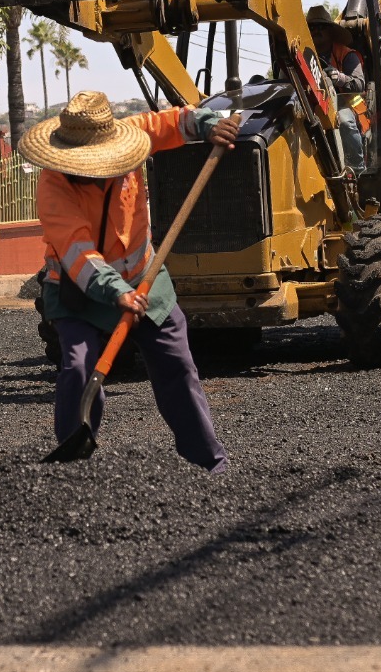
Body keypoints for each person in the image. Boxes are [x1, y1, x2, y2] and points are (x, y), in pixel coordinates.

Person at [27, 90, 242, 472]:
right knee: (78, 366)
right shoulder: (53, 187)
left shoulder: (131, 136)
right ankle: (71, 465)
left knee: (177, 364)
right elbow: (78, 252)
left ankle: (209, 463)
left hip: (146, 279)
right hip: (80, 291)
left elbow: (174, 121)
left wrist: (210, 125)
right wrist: (117, 293)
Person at [305, 5, 370, 170]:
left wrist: (340, 78)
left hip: (343, 104)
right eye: (312, 28)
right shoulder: (302, 55)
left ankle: (357, 170)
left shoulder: (347, 55)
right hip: (310, 107)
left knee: (345, 123)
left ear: (331, 32)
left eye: (322, 27)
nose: (316, 31)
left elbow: (360, 83)